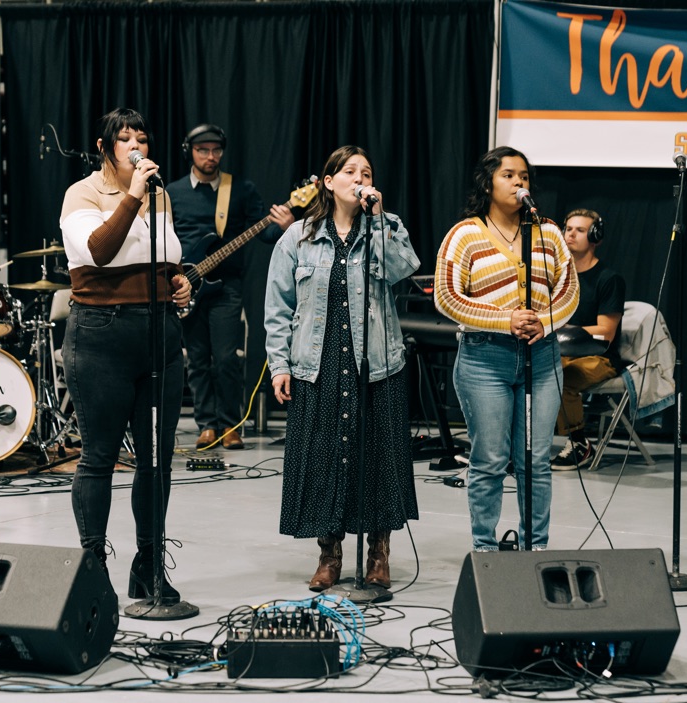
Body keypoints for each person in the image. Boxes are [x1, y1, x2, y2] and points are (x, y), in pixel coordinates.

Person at [264, 145, 420, 591]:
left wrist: (381, 218)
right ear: (328, 182)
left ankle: (378, 553)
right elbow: (277, 308)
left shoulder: (384, 227)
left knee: (379, 458)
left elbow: (403, 269)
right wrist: (280, 366)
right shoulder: (297, 237)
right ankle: (329, 554)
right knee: (324, 457)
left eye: (366, 171)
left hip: (376, 364)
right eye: (349, 171)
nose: (359, 178)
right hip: (319, 362)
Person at [59, 108, 193, 603]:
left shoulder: (161, 198)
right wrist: (133, 194)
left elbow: (165, 259)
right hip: (101, 337)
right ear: (105, 146)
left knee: (156, 461)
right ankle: (93, 568)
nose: (136, 145)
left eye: (142, 136)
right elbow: (99, 250)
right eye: (125, 138)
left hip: (158, 335)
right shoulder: (85, 193)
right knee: (98, 457)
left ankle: (149, 565)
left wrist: (179, 282)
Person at [433, 146, 579, 552]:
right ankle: (485, 550)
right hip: (485, 358)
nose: (519, 182)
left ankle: (536, 550)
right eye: (509, 175)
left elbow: (567, 288)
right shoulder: (464, 234)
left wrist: (542, 323)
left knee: (535, 461)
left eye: (525, 177)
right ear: (487, 183)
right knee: (490, 461)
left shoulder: (547, 232)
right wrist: (505, 320)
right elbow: (447, 296)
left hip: (542, 358)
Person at [166, 123, 294, 451]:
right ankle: (206, 424)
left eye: (216, 150)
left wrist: (282, 226)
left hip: (226, 286)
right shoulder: (173, 192)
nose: (211, 156)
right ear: (189, 152)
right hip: (186, 287)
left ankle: (230, 424)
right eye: (203, 150)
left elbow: (262, 234)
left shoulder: (240, 189)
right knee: (196, 359)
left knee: (225, 358)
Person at [552, 209, 625, 469]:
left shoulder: (609, 279)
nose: (570, 234)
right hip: (560, 352)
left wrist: (570, 330)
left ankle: (580, 443)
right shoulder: (557, 277)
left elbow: (606, 330)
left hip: (599, 357)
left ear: (595, 237)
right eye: (568, 228)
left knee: (561, 379)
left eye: (579, 230)